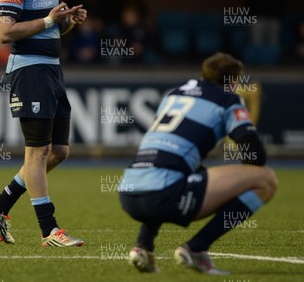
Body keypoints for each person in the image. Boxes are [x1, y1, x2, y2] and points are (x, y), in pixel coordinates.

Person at [0, 0, 87, 247]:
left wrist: (66, 23)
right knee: (37, 152)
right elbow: (3, 32)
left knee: (59, 151)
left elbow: (50, 28)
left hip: (52, 70)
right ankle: (49, 230)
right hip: (30, 71)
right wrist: (49, 19)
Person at [119, 52, 278, 274]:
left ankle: (143, 245)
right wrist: (234, 185)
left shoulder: (174, 94)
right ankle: (197, 248)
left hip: (128, 192)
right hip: (165, 195)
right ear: (232, 81)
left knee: (179, 170)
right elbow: (256, 156)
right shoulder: (228, 99)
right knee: (266, 180)